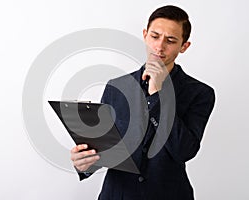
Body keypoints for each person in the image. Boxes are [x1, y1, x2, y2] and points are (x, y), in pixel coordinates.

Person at [70, 5, 215, 200]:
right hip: (117, 195)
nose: (160, 46)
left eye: (170, 40)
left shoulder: (200, 93)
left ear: (184, 46)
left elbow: (184, 150)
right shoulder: (116, 87)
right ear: (145, 35)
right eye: (155, 37)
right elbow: (106, 150)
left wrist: (157, 93)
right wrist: (85, 165)